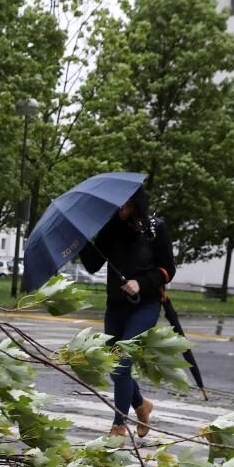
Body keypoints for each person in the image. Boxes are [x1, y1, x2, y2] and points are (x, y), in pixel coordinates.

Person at [80, 187, 176, 437]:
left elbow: (168, 269)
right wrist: (81, 240)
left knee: (122, 361)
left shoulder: (155, 229)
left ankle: (118, 425)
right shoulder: (110, 228)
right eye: (119, 206)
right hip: (116, 306)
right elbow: (93, 264)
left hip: (145, 305)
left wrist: (141, 283)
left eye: (128, 205)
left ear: (138, 205)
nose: (123, 210)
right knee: (114, 364)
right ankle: (141, 405)